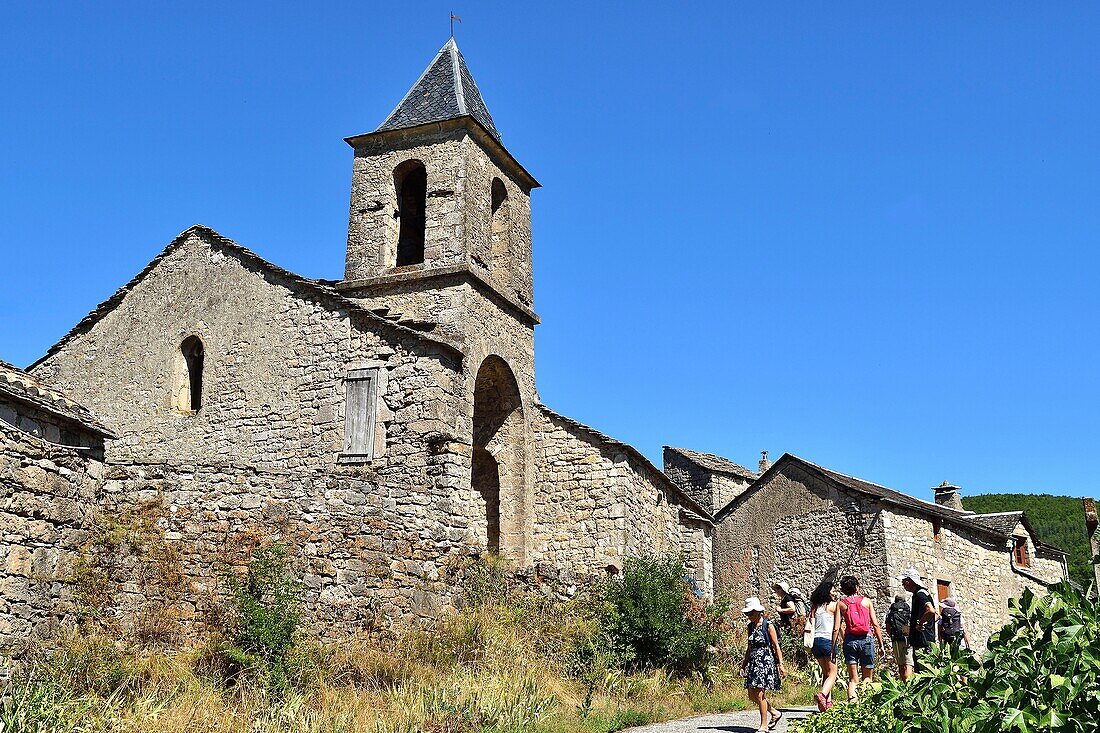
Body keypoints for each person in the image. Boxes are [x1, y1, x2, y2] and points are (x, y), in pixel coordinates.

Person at [831, 574, 886, 702]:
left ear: (843, 589)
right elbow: (875, 625)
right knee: (867, 677)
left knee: (852, 679)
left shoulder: (841, 604)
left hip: (850, 640)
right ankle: (864, 704)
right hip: (866, 639)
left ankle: (853, 705)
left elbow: (836, 627)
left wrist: (833, 647)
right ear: (857, 587)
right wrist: (881, 644)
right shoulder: (866, 602)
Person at [739, 596, 786, 733]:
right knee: (751, 695)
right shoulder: (750, 626)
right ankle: (775, 712)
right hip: (754, 662)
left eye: (750, 613)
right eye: (747, 614)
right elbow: (749, 648)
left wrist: (781, 664)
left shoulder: (768, 625)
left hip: (765, 662)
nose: (748, 616)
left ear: (758, 612)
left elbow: (776, 646)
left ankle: (763, 725)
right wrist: (743, 665)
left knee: (759, 694)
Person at [808, 580, 839, 712]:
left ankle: (827, 703)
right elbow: (837, 627)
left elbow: (810, 621)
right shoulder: (834, 606)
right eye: (833, 590)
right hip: (827, 640)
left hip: (816, 642)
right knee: (833, 674)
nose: (835, 593)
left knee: (825, 673)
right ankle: (822, 695)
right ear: (827, 592)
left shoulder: (815, 606)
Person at [899, 568, 937, 672]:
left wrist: (919, 624)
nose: (903, 584)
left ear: (909, 581)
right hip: (925, 639)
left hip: (923, 641)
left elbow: (931, 610)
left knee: (924, 672)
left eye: (904, 582)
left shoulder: (920, 594)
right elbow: (936, 615)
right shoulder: (922, 593)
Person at [885, 592, 914, 681]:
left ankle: (903, 683)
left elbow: (888, 627)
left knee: (901, 664)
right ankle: (909, 684)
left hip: (896, 639)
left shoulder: (891, 611)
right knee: (908, 664)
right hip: (908, 638)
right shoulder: (908, 609)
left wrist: (892, 636)